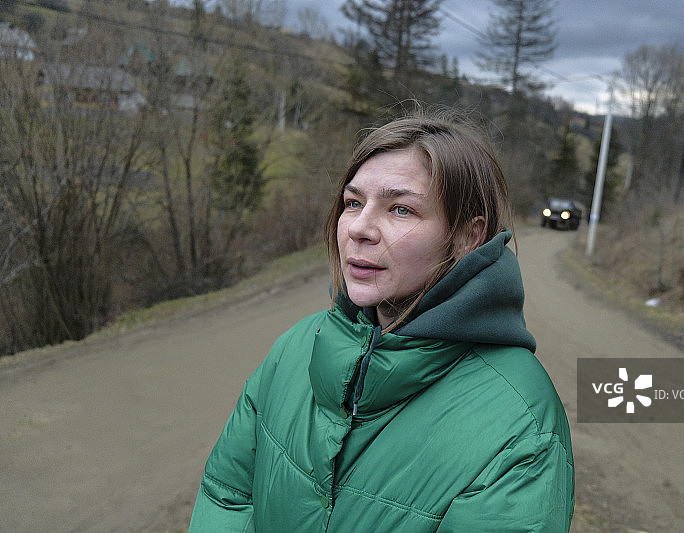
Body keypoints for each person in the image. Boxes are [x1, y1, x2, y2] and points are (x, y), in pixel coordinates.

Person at [188, 110, 574, 532]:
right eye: (353, 203)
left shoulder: (521, 423)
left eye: (401, 209)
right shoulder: (296, 347)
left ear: (468, 236)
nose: (360, 228)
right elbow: (227, 496)